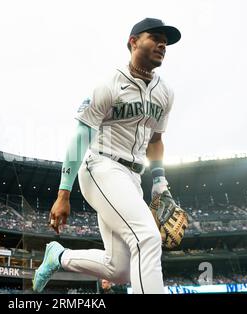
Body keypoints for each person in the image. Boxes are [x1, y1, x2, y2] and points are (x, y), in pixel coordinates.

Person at [32, 18, 181, 294]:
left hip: (132, 178)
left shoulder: (166, 92)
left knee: (120, 268)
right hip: (102, 167)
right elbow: (80, 136)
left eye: (166, 41)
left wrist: (160, 181)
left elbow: (156, 140)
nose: (163, 44)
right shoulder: (109, 84)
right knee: (147, 238)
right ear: (133, 41)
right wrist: (63, 193)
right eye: (155, 37)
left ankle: (59, 256)